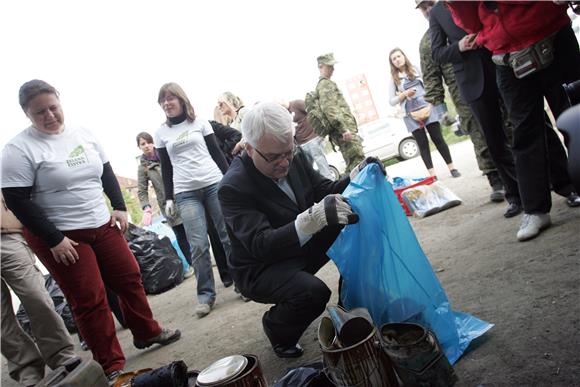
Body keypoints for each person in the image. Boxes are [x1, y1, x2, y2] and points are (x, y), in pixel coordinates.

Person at [1, 80, 180, 383]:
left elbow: (106, 171)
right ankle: (109, 363)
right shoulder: (18, 149)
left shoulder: (83, 134)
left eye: (53, 107)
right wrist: (54, 239)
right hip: (61, 235)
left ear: (60, 101)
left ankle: (147, 332)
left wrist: (120, 206)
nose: (49, 115)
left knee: (129, 275)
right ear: (27, 114)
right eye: (40, 112)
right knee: (90, 297)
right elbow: (17, 200)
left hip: (101, 222)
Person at [218, 102, 384, 358]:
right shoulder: (233, 187)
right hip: (260, 267)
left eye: (288, 152)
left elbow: (322, 190)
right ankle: (277, 328)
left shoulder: (291, 154)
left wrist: (354, 177)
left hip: (298, 245)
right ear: (250, 149)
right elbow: (261, 245)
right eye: (274, 157)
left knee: (353, 216)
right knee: (312, 293)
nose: (284, 162)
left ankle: (354, 301)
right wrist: (313, 219)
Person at [447, 1, 580, 241]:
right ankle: (535, 209)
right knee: (524, 133)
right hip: (507, 56)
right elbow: (472, 23)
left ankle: (570, 187)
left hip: (553, 36)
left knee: (574, 114)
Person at [423, 0, 525, 218]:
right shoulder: (438, 13)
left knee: (528, 124)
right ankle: (515, 195)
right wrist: (460, 46)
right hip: (472, 81)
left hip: (504, 63)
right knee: (493, 140)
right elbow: (437, 54)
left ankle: (560, 183)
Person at [155, 82, 232, 317]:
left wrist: (230, 180)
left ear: (181, 100)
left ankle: (243, 282)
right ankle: (206, 296)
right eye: (163, 100)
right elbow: (166, 168)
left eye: (170, 98)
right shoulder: (161, 133)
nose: (167, 103)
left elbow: (216, 153)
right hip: (185, 193)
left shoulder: (200, 123)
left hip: (213, 184)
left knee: (227, 236)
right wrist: (168, 198)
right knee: (198, 245)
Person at [1, 194, 78, 387]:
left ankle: (61, 354)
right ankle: (26, 368)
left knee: (37, 297)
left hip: (6, 236)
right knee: (1, 320)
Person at [388, 48, 461, 178]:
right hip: (411, 115)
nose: (397, 60)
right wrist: (404, 94)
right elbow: (391, 101)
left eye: (399, 56)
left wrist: (433, 102)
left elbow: (429, 83)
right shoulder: (394, 79)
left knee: (438, 139)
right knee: (423, 145)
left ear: (404, 56)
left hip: (428, 107)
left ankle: (452, 168)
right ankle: (433, 175)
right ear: (392, 63)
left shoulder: (416, 68)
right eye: (394, 59)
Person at [136, 132, 195, 279]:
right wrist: (146, 207)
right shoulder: (143, 167)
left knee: (193, 230)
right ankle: (193, 263)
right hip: (167, 205)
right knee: (180, 234)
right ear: (139, 147)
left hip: (183, 194)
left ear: (153, 142)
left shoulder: (165, 155)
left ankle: (203, 259)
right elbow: (142, 190)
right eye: (143, 144)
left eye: (148, 142)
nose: (147, 146)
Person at [315, 53, 365, 173]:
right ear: (321, 66)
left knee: (354, 163)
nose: (333, 69)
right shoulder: (325, 85)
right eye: (329, 66)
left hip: (344, 131)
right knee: (357, 163)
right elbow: (330, 109)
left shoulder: (325, 84)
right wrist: (343, 129)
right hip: (344, 132)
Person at [284, 99, 334, 180]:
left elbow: (314, 112)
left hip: (311, 139)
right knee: (307, 167)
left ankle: (330, 180)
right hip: (301, 144)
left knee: (320, 161)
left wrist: (321, 131)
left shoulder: (297, 104)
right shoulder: (284, 113)